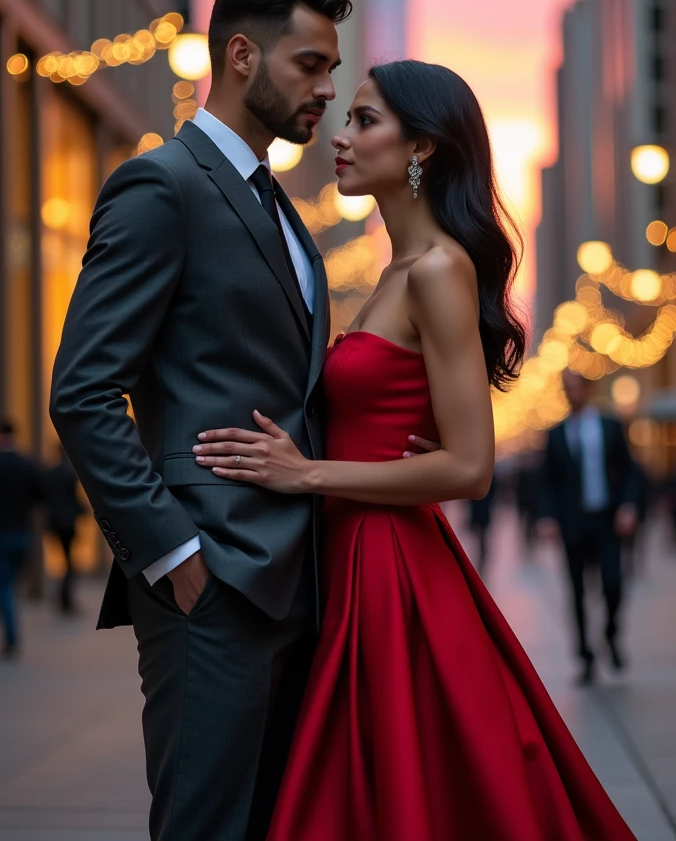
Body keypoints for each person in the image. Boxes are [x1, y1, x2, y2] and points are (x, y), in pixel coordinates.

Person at [195, 61, 637, 840]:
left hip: (387, 563)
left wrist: (307, 474)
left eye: (366, 120)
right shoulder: (395, 271)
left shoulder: (438, 270)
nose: (342, 135)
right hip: (353, 551)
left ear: (422, 148)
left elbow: (471, 466)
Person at [51, 0, 412, 841]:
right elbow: (83, 390)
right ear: (242, 56)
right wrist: (173, 554)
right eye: (310, 65)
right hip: (209, 584)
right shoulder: (161, 187)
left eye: (332, 69)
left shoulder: (284, 210)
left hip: (302, 585)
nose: (328, 89)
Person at [538, 370, 642, 685]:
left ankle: (610, 633)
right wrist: (547, 517)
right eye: (566, 388)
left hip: (607, 520)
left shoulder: (610, 427)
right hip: (573, 524)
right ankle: (585, 656)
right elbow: (547, 482)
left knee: (613, 583)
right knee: (577, 592)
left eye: (575, 387)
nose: (571, 393)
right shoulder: (555, 434)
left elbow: (631, 471)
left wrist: (628, 505)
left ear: (588, 388)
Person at [0, 419, 44, 658]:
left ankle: (11, 639)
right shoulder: (27, 464)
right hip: (23, 533)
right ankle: (11, 631)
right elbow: (40, 496)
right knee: (12, 585)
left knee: (4, 587)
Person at [43, 445, 86, 614]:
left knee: (67, 561)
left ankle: (64, 597)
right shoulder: (69, 473)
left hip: (55, 522)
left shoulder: (51, 474)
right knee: (70, 563)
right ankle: (65, 598)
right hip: (68, 523)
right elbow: (73, 498)